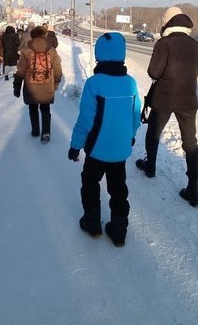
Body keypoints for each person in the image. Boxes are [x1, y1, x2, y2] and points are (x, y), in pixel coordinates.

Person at [68, 32, 141, 247]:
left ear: (99, 54)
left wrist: (75, 146)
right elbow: (135, 115)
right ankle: (118, 232)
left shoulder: (94, 83)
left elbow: (86, 120)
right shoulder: (130, 83)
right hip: (120, 150)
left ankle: (92, 224)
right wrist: (131, 136)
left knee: (90, 183)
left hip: (97, 150)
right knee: (119, 189)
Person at [135, 6, 198, 207]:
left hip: (164, 98)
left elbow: (154, 73)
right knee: (190, 142)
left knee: (154, 133)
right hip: (188, 99)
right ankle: (193, 188)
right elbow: (196, 71)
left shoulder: (163, 43)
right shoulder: (195, 45)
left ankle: (150, 166)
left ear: (167, 22)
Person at [13, 26, 62, 143]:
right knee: (45, 109)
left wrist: (17, 86)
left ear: (32, 36)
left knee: (33, 108)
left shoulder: (26, 51)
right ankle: (46, 133)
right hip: (47, 86)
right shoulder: (52, 51)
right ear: (44, 36)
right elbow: (58, 70)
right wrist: (56, 83)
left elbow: (20, 71)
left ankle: (35, 130)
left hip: (31, 87)